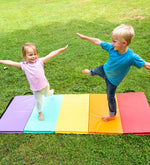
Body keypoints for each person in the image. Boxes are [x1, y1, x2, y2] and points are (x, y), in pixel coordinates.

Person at [76, 24, 150, 121]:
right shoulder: (111, 48)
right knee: (94, 71)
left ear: (124, 43)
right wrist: (85, 37)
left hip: (113, 81)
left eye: (114, 41)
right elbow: (98, 41)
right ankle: (89, 72)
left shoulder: (131, 57)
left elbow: (146, 65)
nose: (112, 43)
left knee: (110, 98)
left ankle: (112, 116)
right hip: (104, 69)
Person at [0, 43, 68, 121]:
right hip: (35, 89)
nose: (33, 56)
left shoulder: (40, 61)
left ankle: (50, 92)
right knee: (38, 101)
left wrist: (61, 50)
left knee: (47, 94)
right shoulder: (24, 65)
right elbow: (11, 63)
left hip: (45, 85)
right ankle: (40, 113)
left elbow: (51, 55)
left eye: (35, 54)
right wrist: (1, 61)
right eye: (30, 55)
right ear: (24, 56)